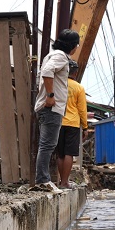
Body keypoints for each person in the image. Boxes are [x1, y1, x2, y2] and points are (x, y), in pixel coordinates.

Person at [34, 29, 80, 190]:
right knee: (47, 145)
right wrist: (51, 95)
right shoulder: (61, 57)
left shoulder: (51, 55)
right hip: (51, 108)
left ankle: (43, 179)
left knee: (48, 144)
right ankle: (42, 180)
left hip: (48, 108)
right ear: (73, 46)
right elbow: (47, 72)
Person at [56, 59, 87, 189]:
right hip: (73, 123)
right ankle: (65, 182)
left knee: (60, 153)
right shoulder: (79, 88)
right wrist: (85, 126)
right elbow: (82, 109)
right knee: (69, 153)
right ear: (75, 73)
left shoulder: (57, 84)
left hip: (58, 121)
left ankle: (60, 182)